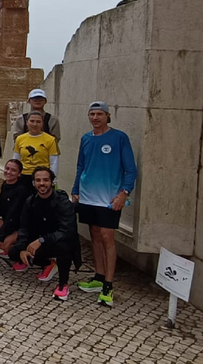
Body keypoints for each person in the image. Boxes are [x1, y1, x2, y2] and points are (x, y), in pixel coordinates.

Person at [71, 101, 137, 307]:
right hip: (88, 196)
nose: (95, 117)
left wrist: (124, 193)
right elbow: (81, 165)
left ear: (107, 116)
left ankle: (109, 284)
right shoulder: (86, 138)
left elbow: (131, 169)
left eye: (100, 114)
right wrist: (75, 189)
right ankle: (98, 277)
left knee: (108, 237)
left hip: (109, 198)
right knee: (94, 235)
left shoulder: (119, 138)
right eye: (92, 114)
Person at [10, 166, 81, 301]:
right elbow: (24, 227)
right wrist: (22, 248)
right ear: (33, 183)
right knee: (13, 251)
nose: (42, 183)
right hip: (40, 242)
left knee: (63, 246)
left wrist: (42, 240)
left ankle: (63, 284)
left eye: (45, 180)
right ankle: (48, 263)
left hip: (59, 242)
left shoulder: (63, 202)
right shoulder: (30, 202)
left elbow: (67, 231)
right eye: (38, 180)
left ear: (52, 182)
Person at [13, 111, 60, 190]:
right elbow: (15, 159)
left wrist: (52, 180)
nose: (34, 124)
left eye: (38, 122)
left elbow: (54, 162)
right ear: (27, 122)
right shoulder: (20, 139)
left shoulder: (50, 140)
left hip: (42, 178)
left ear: (42, 124)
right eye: (32, 121)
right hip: (24, 177)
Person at [0, 159, 30, 258]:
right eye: (7, 168)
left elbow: (14, 213)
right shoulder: (5, 184)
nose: (9, 172)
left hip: (19, 226)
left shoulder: (21, 190)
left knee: (5, 244)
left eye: (13, 170)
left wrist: (0, 236)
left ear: (19, 174)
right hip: (7, 221)